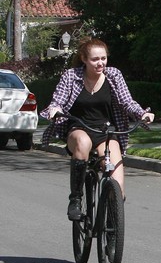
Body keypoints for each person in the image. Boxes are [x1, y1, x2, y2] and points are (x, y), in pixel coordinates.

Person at [40, 37, 154, 221]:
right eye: (95, 59)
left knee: (117, 183)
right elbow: (58, 101)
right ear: (84, 59)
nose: (100, 63)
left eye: (103, 58)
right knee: (83, 142)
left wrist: (142, 114)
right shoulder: (71, 76)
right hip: (78, 127)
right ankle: (75, 198)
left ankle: (111, 226)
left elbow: (127, 102)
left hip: (106, 132)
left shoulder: (114, 75)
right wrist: (55, 110)